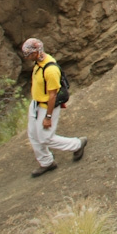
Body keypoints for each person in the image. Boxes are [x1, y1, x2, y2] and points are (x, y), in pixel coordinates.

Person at [21, 37, 87, 177]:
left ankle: (77, 144)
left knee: (45, 138)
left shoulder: (50, 70)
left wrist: (48, 117)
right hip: (36, 104)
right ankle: (46, 162)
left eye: (29, 54)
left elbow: (52, 96)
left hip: (47, 106)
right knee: (33, 135)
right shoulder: (38, 62)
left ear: (37, 52)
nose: (27, 57)